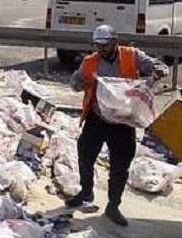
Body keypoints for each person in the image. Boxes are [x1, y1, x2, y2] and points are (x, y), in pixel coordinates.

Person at [67, 25, 168, 226]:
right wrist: (79, 85)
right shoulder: (90, 61)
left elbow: (159, 65)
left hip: (123, 120)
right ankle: (86, 191)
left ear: (114, 41)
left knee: (120, 166)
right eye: (97, 45)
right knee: (85, 155)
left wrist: (159, 71)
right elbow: (74, 80)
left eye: (104, 45)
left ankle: (113, 206)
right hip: (98, 117)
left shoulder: (131, 55)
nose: (100, 49)